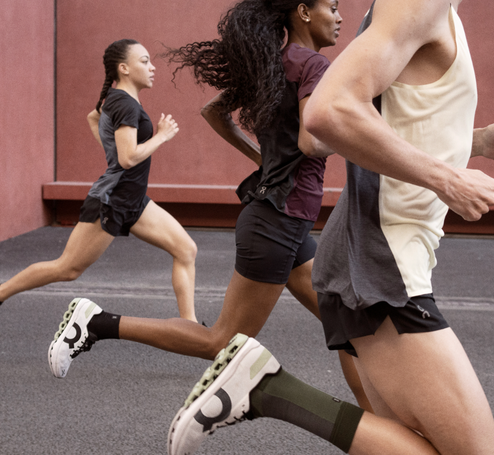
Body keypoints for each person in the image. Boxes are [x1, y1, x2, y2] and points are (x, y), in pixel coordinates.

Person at [167, 0, 494, 455]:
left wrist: (474, 141)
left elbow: (389, 112)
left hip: (374, 256)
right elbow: (330, 114)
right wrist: (444, 176)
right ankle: (269, 390)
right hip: (384, 266)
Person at [46, 0, 368, 410]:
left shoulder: (277, 63)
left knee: (347, 325)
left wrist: (264, 160)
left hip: (282, 217)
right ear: (303, 12)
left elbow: (213, 111)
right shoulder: (313, 67)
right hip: (279, 220)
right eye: (332, 7)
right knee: (220, 341)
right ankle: (94, 323)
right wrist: (357, 137)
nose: (340, 17)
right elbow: (311, 141)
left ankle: (378, 428)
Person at [0, 39, 198, 347]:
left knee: (186, 250)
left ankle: (190, 328)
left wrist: (114, 158)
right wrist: (162, 136)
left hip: (132, 200)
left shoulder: (117, 99)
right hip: (111, 202)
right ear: (124, 68)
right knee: (68, 268)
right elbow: (128, 157)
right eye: (144, 61)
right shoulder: (126, 104)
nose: (152, 66)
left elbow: (95, 119)